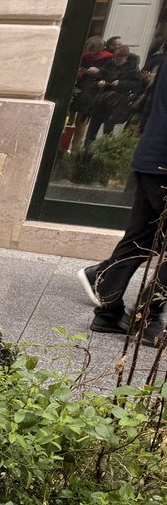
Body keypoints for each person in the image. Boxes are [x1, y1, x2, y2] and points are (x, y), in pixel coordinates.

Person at [78, 45, 167, 345]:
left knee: (141, 237)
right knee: (145, 239)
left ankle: (107, 311)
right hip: (162, 161)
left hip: (152, 155)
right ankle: (148, 316)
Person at [85, 44, 142, 144]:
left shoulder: (132, 69)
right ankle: (87, 148)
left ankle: (105, 149)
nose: (116, 61)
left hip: (116, 103)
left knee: (108, 129)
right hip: (101, 100)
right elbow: (97, 78)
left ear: (126, 57)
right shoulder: (110, 64)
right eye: (115, 58)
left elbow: (136, 85)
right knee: (92, 128)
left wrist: (120, 84)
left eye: (119, 59)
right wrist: (99, 83)